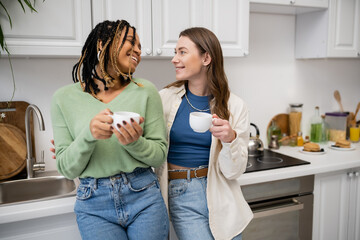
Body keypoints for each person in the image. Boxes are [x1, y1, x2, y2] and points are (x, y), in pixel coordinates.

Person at [51, 20, 169, 240]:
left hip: (144, 195)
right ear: (102, 44)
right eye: (131, 42)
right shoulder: (63, 98)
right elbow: (67, 169)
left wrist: (135, 142)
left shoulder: (146, 91)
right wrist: (88, 136)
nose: (137, 51)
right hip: (93, 204)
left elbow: (159, 154)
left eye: (140, 46)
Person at [155, 27, 253, 240]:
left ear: (206, 57)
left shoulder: (235, 106)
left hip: (223, 194)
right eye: (175, 52)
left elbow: (234, 172)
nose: (174, 59)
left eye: (182, 52)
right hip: (181, 192)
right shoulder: (164, 99)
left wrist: (230, 139)